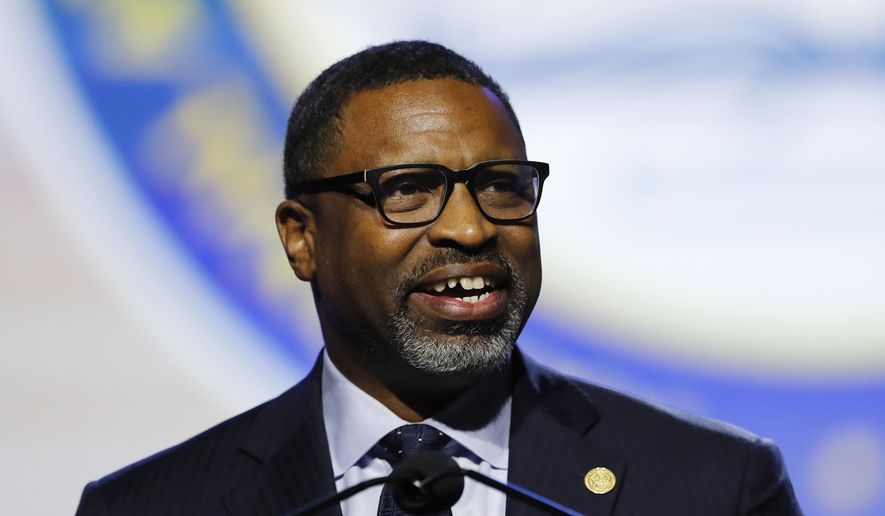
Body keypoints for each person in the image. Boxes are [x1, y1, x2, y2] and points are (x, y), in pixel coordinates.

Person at [75, 41, 802, 515]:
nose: (470, 227)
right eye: (409, 189)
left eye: (501, 184)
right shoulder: (151, 506)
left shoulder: (714, 488)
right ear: (302, 238)